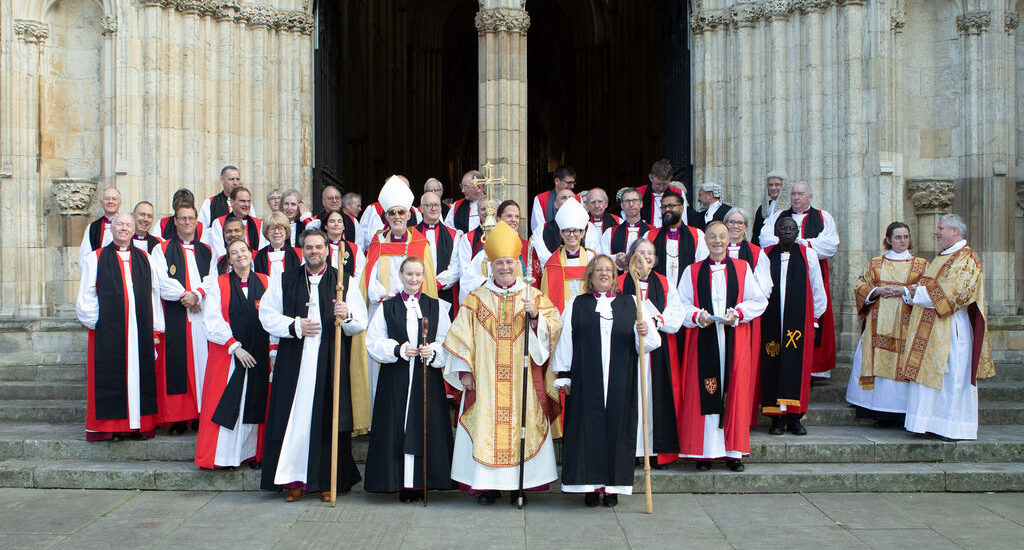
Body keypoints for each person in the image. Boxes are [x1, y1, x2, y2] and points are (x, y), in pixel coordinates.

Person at [443, 221, 563, 506]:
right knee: (486, 428)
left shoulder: (533, 296)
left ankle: (519, 487)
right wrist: (465, 371)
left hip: (523, 384)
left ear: (517, 263)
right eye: (499, 263)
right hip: (485, 382)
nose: (505, 268)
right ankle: (487, 486)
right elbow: (459, 335)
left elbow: (555, 328)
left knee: (521, 428)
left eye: (509, 262)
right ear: (490, 265)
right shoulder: (476, 299)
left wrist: (537, 320)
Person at [258, 229, 370, 502]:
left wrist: (347, 314)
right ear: (301, 250)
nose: (314, 251)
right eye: (309, 247)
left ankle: (326, 481)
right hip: (294, 361)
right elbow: (267, 315)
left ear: (327, 249)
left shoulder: (344, 281)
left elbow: (360, 322)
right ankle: (292, 480)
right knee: (292, 419)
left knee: (326, 419)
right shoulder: (284, 280)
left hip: (328, 361)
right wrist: (295, 325)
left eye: (319, 247)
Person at [553, 255, 660, 507]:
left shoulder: (632, 302)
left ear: (615, 276)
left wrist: (643, 331)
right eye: (598, 270)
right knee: (585, 429)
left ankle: (612, 488)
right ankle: (590, 486)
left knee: (617, 429)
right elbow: (566, 340)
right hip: (585, 377)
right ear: (590, 276)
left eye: (608, 271)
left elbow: (651, 343)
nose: (603, 274)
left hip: (620, 377)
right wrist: (564, 375)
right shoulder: (576, 304)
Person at [677, 221, 767, 471]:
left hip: (733, 340)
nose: (717, 241)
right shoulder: (692, 271)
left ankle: (733, 453)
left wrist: (737, 313)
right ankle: (705, 453)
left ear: (730, 240)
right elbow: (680, 304)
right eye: (712, 237)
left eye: (722, 236)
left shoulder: (742, 268)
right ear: (705, 241)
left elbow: (758, 301)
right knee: (705, 391)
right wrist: (697, 316)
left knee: (733, 391)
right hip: (704, 338)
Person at [364, 257, 455, 501]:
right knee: (396, 427)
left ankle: (424, 481)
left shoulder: (436, 306)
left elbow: (448, 340)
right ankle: (400, 483)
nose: (413, 279)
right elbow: (373, 341)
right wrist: (398, 350)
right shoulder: (387, 307)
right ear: (400, 276)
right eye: (409, 274)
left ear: (424, 277)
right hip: (396, 376)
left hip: (427, 375)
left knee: (426, 425)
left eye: (418, 274)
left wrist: (433, 350)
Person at [899, 214, 995, 440]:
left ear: (955, 231)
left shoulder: (966, 258)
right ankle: (927, 423)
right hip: (930, 326)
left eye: (941, 228)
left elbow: (956, 293)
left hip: (951, 328)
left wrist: (917, 292)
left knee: (951, 377)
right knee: (929, 377)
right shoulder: (943, 257)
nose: (936, 232)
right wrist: (915, 293)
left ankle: (952, 427)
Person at [76, 213, 163, 441]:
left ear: (134, 230)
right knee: (112, 376)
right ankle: (111, 428)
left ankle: (137, 426)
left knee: (139, 375)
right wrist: (99, 323)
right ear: (111, 229)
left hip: (140, 329)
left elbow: (154, 294)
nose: (124, 229)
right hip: (110, 329)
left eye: (128, 225)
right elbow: (87, 294)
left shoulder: (145, 257)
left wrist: (154, 328)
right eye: (119, 224)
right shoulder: (96, 258)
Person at [362, 177, 439, 407]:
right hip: (385, 308)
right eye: (392, 213)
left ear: (408, 215)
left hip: (413, 307)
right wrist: (383, 296)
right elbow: (369, 276)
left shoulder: (420, 243)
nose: (397, 217)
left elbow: (426, 278)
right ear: (386, 216)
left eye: (401, 212)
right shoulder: (377, 241)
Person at [196, 238, 272, 469]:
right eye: (234, 253)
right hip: (229, 354)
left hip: (259, 353)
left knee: (253, 402)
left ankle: (250, 454)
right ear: (229, 259)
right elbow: (212, 319)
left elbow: (272, 315)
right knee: (229, 403)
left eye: (243, 251)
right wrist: (234, 346)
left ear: (251, 254)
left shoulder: (266, 281)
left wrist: (273, 351)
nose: (240, 255)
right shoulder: (219, 283)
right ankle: (224, 457)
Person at [845, 222, 927, 427]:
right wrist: (878, 291)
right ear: (888, 239)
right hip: (877, 322)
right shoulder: (875, 263)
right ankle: (879, 412)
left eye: (905, 237)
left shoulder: (921, 265)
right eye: (897, 237)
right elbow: (860, 285)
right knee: (877, 365)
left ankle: (902, 413)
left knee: (902, 364)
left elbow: (926, 288)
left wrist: (905, 292)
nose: (902, 241)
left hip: (907, 323)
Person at [759, 181, 840, 378]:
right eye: (793, 194)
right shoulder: (779, 216)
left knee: (811, 316)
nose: (796, 197)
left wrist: (800, 244)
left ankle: (814, 370)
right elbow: (765, 239)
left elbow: (830, 245)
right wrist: (800, 243)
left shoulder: (822, 216)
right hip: (782, 273)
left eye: (800, 194)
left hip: (812, 274)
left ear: (810, 196)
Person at [617, 239, 685, 467]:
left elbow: (676, 316)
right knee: (631, 397)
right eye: (640, 252)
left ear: (655, 260)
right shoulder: (619, 283)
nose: (646, 257)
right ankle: (632, 449)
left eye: (650, 253)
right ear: (630, 257)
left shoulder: (665, 284)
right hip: (627, 351)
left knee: (653, 398)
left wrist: (656, 320)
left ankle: (654, 450)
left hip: (658, 353)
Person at [759, 217, 827, 436]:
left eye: (792, 228)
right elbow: (759, 287)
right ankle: (776, 418)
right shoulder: (766, 255)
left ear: (797, 232)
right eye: (783, 228)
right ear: (777, 232)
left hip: (799, 322)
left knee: (798, 367)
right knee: (773, 364)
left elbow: (817, 288)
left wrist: (814, 318)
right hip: (771, 320)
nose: (788, 231)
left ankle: (795, 417)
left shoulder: (809, 255)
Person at [151, 204, 213, 435]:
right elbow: (160, 280)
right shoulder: (162, 249)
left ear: (196, 221)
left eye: (190, 218)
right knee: (177, 368)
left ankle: (200, 415)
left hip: (202, 315)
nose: (187, 222)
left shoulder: (207, 250)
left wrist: (198, 294)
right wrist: (185, 295)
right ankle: (179, 418)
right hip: (176, 314)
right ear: (174, 221)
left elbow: (213, 278)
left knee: (202, 366)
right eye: (182, 218)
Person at [458, 200, 534, 303]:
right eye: (509, 216)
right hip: (489, 304)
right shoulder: (486, 248)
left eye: (517, 217)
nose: (513, 220)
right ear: (498, 218)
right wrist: (491, 285)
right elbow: (468, 281)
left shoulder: (526, 247)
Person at [539, 199, 597, 313]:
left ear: (582, 233)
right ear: (561, 233)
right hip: (563, 313)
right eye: (567, 231)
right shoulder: (554, 262)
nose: (571, 235)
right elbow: (547, 296)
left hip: (588, 310)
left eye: (576, 231)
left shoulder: (591, 258)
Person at [644, 190, 708, 286]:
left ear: (681, 208)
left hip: (688, 291)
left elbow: (702, 266)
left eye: (671, 206)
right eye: (664, 207)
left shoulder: (697, 235)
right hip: (658, 290)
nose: (667, 210)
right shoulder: (650, 235)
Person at [417, 192, 462, 311]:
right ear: (421, 208)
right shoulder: (412, 234)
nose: (434, 208)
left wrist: (435, 284)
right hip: (417, 291)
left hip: (444, 292)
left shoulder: (454, 235)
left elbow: (455, 268)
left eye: (437, 205)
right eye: (429, 205)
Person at [533, 188, 600, 266]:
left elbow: (593, 252)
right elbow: (541, 254)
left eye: (571, 198)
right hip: (554, 268)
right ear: (555, 204)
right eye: (564, 198)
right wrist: (559, 264)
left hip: (584, 270)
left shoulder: (589, 227)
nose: (568, 200)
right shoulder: (542, 228)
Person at [360, 175, 422, 249]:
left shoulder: (415, 211)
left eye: (407, 188)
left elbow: (419, 236)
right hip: (384, 252)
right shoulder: (375, 209)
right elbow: (368, 240)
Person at [206, 186, 268, 259]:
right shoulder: (219, 223)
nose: (247, 204)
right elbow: (219, 249)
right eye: (242, 201)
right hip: (228, 265)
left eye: (248, 201)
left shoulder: (259, 223)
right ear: (232, 202)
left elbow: (262, 249)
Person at [601, 188, 650, 265]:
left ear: (641, 204)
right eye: (627, 201)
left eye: (635, 200)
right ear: (622, 205)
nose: (631, 204)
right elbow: (602, 257)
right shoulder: (610, 233)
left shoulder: (652, 232)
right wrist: (615, 259)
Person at [78, 187, 122, 268]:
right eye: (107, 199)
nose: (110, 201)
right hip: (99, 274)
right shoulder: (92, 227)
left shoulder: (127, 225)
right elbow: (84, 257)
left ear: (120, 203)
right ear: (101, 203)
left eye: (114, 199)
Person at [635, 159, 684, 228]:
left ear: (670, 179)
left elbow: (683, 218)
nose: (661, 188)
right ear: (651, 177)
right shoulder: (638, 193)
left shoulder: (677, 193)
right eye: (658, 184)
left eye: (664, 185)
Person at [531, 165, 578, 233]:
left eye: (573, 183)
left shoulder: (578, 199)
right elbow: (538, 229)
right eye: (569, 183)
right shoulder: (541, 199)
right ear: (557, 181)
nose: (572, 186)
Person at [253, 212, 302, 279]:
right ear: (267, 233)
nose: (276, 232)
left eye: (280, 228)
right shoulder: (257, 256)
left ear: (286, 231)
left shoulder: (298, 254)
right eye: (273, 228)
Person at [198, 165, 242, 230]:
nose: (235, 183)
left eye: (237, 179)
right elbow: (202, 229)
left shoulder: (246, 203)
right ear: (222, 180)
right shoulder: (210, 203)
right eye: (231, 179)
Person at [752, 171, 786, 239]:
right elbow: (756, 233)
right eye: (770, 185)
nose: (773, 188)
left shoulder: (790, 207)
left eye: (777, 185)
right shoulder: (762, 208)